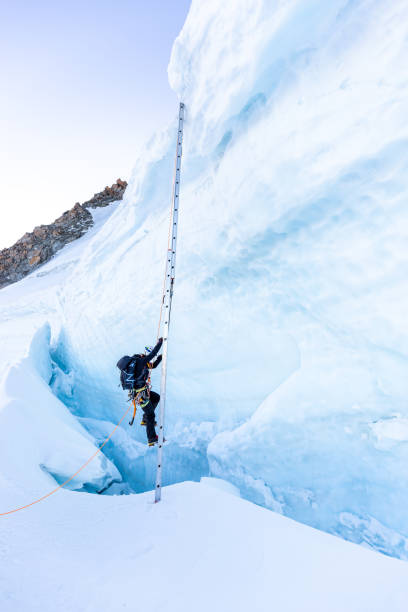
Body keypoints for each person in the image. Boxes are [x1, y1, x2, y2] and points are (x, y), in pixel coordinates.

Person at [117, 337, 163, 445]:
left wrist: (160, 358)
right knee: (151, 414)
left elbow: (153, 365)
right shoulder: (141, 361)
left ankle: (145, 419)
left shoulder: (141, 363)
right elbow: (153, 354)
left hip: (142, 392)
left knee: (156, 397)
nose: (151, 359)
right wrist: (160, 343)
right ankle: (151, 438)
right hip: (140, 395)